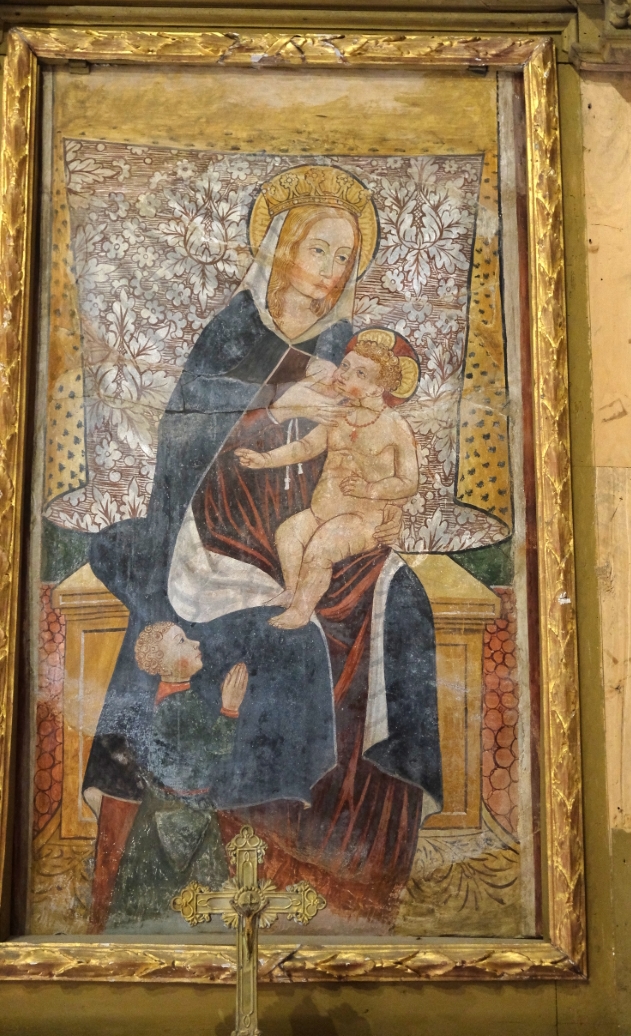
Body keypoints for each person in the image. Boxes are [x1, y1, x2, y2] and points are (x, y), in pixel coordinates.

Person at [85, 163, 441, 932]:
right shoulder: (232, 334)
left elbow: (376, 448)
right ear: (280, 248)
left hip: (321, 525)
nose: (332, 270)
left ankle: (362, 874)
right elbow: (186, 450)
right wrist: (275, 409)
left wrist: (379, 507)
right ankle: (249, 848)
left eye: (345, 257)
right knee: (283, 638)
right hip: (218, 530)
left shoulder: (346, 347)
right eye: (320, 249)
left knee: (404, 604)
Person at [235, 331, 420, 629]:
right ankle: (292, 591)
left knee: (321, 546)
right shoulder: (340, 414)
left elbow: (409, 481)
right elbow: (306, 447)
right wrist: (265, 459)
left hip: (363, 521)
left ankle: (301, 611)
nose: (344, 374)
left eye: (359, 373)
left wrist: (370, 489)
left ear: (377, 388)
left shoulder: (395, 426)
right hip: (321, 511)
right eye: (345, 366)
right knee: (288, 533)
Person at [106, 624, 248, 931]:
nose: (195, 642)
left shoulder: (181, 698)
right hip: (178, 819)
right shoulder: (176, 708)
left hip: (176, 811)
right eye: (181, 641)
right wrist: (230, 709)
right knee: (181, 908)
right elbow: (207, 762)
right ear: (165, 664)